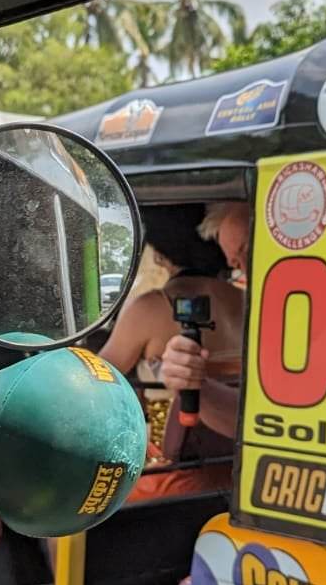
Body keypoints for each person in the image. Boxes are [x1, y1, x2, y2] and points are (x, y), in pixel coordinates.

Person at [99, 203, 245, 499]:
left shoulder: (152, 307)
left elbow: (96, 379)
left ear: (160, 253)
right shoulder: (249, 303)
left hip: (168, 479)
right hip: (238, 470)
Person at [158, 201, 251, 439]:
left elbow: (103, 373)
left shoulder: (153, 305)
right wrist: (196, 384)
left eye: (250, 251)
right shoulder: (253, 306)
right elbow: (259, 421)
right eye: (238, 265)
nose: (249, 273)